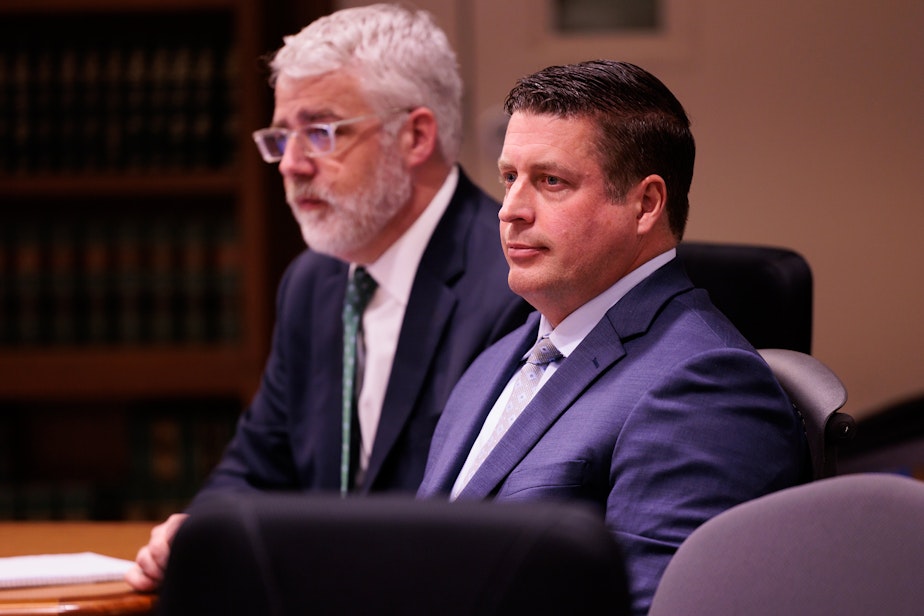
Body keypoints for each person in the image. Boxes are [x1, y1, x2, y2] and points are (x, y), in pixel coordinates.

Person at [125, 4, 531, 591]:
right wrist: (199, 531)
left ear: (415, 136)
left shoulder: (515, 283)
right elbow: (257, 466)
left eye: (319, 132)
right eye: (280, 136)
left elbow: (483, 521)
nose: (290, 164)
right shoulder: (311, 283)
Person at [416, 60, 808, 615]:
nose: (510, 211)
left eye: (551, 181)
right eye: (509, 178)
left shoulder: (706, 388)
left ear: (646, 204)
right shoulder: (499, 359)